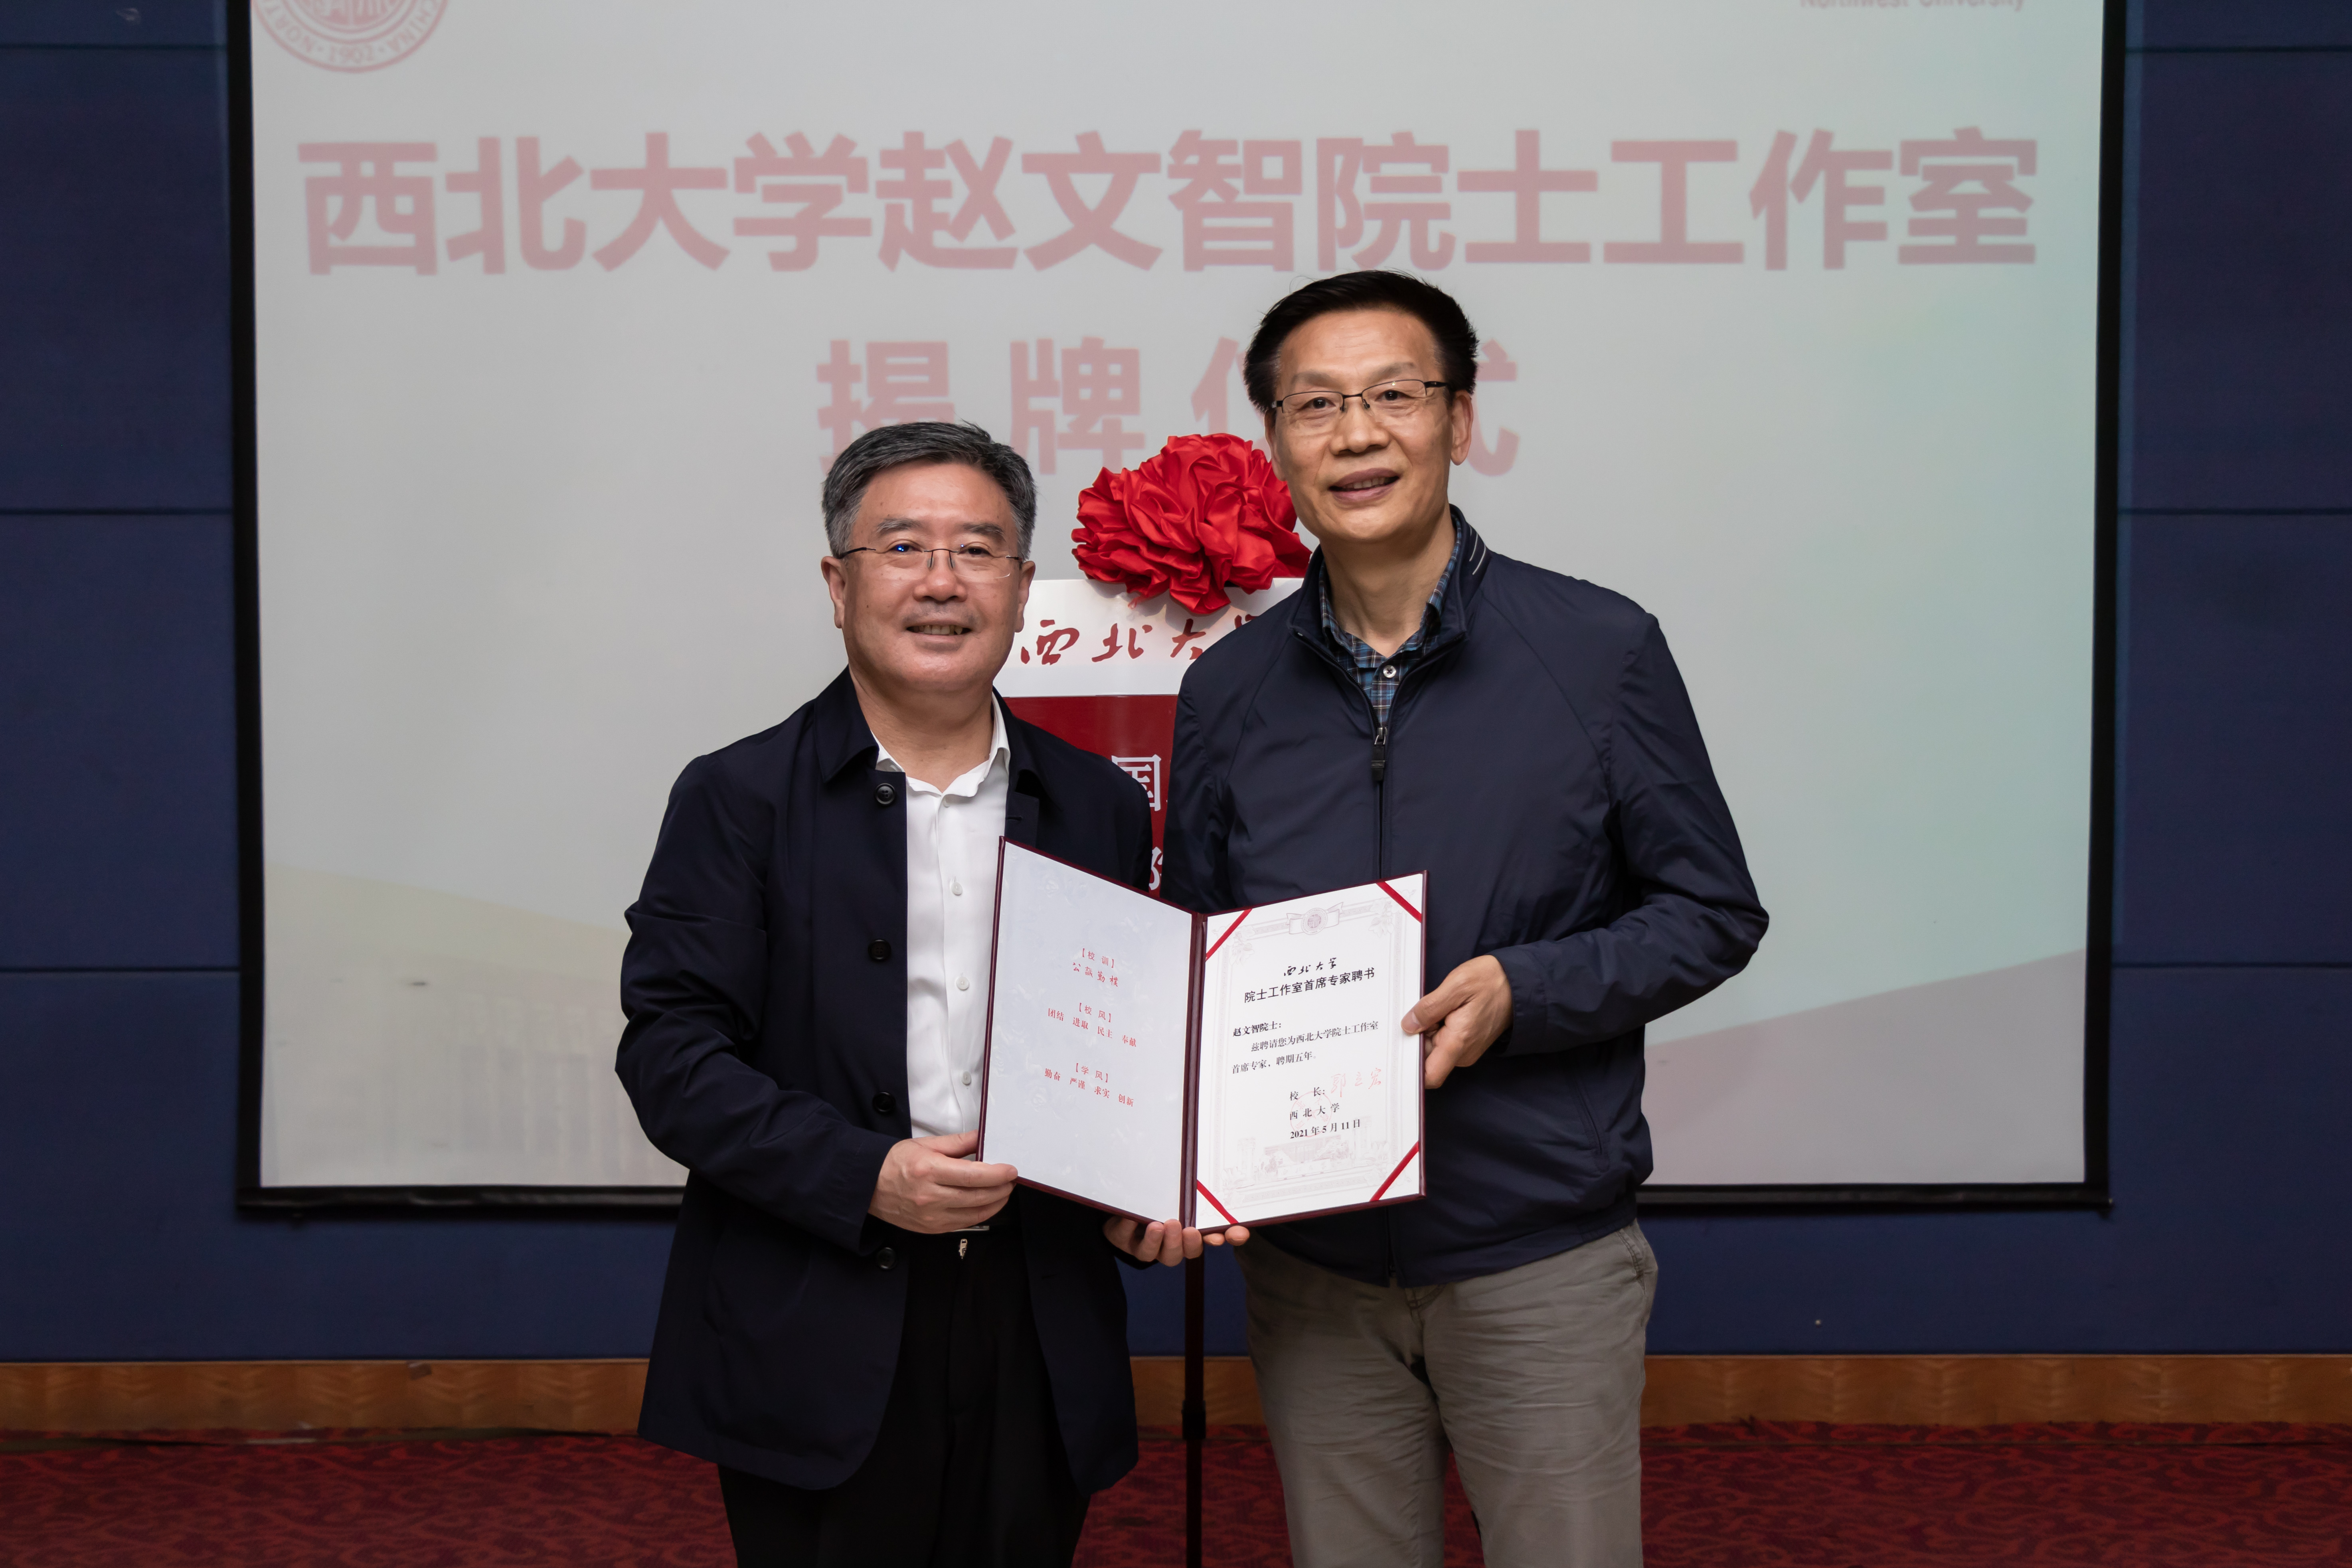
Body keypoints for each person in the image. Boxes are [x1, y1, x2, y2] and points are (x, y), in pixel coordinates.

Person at [1162, 272, 1768, 1568]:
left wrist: (1524, 991)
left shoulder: (1598, 648)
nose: (1356, 434)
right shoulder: (1228, 690)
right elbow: (1194, 957)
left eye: (1394, 395)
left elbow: (1711, 911)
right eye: (1315, 404)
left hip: (1538, 1253)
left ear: (1462, 419)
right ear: (1275, 439)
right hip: (1313, 1267)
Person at [618, 421, 1234, 1568]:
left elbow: (1120, 1049)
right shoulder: (737, 797)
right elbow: (672, 1059)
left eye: (979, 550)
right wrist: (865, 1175)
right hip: (817, 1309)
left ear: (1022, 588)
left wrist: (1138, 1191)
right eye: (903, 547)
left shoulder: (1096, 803)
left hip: (1037, 1312)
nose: (943, 582)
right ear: (838, 585)